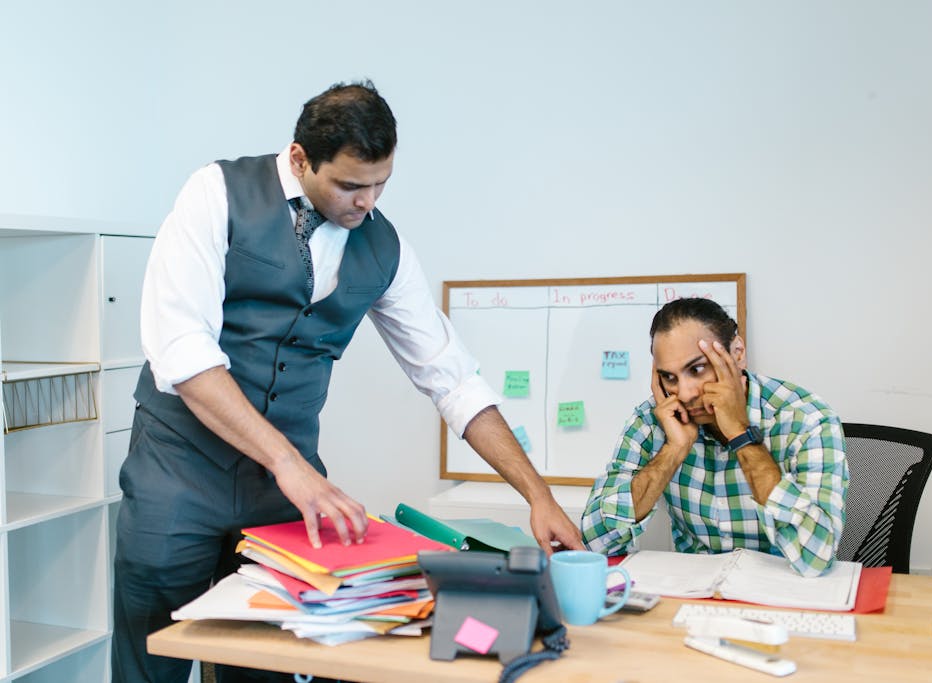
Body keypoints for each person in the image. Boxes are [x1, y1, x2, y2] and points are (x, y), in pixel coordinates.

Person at [113, 80, 583, 683]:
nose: (367, 202)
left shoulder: (385, 248)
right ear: (301, 159)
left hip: (283, 494)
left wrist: (537, 495)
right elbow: (182, 353)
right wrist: (290, 464)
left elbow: (453, 379)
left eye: (381, 183)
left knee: (274, 664)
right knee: (152, 658)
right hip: (178, 474)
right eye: (351, 185)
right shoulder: (216, 194)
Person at [581, 297, 847, 577]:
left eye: (696, 369)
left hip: (784, 596)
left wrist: (742, 436)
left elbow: (816, 558)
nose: (684, 393)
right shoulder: (655, 419)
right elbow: (595, 543)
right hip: (693, 600)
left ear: (738, 352)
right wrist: (674, 449)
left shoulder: (806, 419)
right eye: (670, 378)